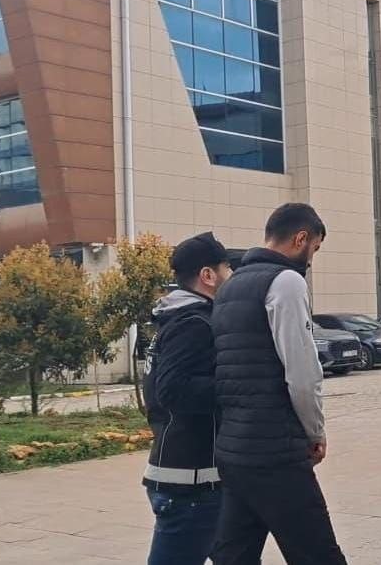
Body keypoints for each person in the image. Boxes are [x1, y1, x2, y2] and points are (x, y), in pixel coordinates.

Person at [210, 203, 347, 565]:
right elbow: (302, 373)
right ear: (301, 238)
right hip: (275, 450)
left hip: (234, 450)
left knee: (234, 556)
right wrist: (315, 432)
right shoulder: (285, 281)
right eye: (314, 248)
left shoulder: (229, 287)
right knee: (317, 555)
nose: (311, 260)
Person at [143, 232, 233, 565]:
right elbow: (172, 390)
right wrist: (235, 383)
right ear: (208, 275)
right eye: (227, 269)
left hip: (191, 475)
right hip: (190, 482)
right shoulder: (194, 323)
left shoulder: (177, 319)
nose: (231, 276)